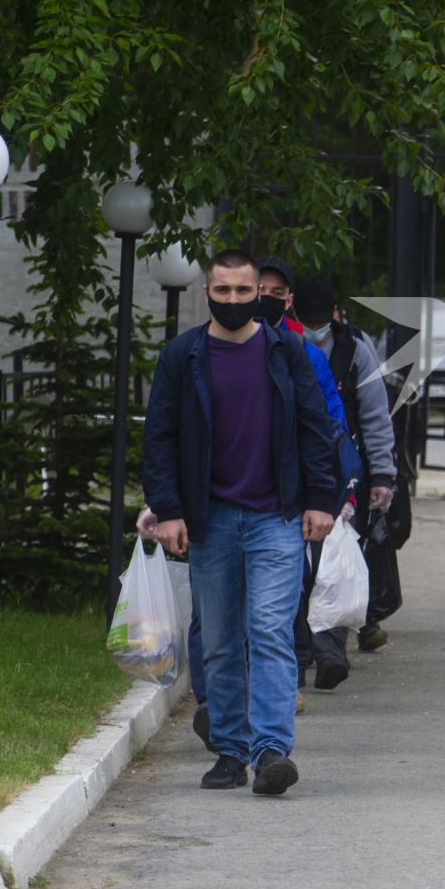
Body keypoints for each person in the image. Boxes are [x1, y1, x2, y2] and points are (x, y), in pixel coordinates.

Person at [142, 249, 340, 796]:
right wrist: (169, 509)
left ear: (261, 294)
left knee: (270, 630)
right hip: (210, 520)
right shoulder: (183, 357)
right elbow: (160, 437)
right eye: (222, 291)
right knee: (223, 640)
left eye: (243, 291)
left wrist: (321, 499)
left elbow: (315, 428)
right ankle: (229, 749)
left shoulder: (286, 351)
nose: (233, 300)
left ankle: (272, 750)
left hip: (276, 517)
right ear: (207, 292)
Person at [255, 255, 362, 692]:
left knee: (294, 585)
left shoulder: (305, 356)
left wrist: (334, 496)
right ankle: (223, 698)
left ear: (290, 301)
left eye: (274, 294)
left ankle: (297, 670)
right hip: (235, 497)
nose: (263, 301)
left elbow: (332, 431)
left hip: (292, 494)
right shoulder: (203, 352)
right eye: (255, 291)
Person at [293, 279, 399, 685]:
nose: (317, 331)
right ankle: (303, 651)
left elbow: (375, 415)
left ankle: (329, 650)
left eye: (322, 323)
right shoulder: (284, 347)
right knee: (297, 570)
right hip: (294, 473)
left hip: (344, 473)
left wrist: (384, 474)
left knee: (333, 565)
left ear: (335, 314)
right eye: (308, 323)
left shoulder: (356, 351)